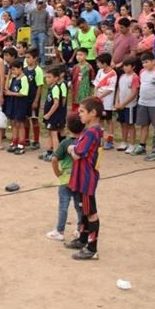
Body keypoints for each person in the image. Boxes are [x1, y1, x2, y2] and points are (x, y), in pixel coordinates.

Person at [65, 96, 104, 260]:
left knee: (90, 212)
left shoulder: (90, 133)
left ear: (93, 113)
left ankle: (92, 248)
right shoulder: (95, 130)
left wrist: (70, 148)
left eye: (82, 111)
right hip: (82, 177)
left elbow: (77, 153)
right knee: (83, 209)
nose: (79, 114)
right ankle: (82, 239)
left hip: (86, 178)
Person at [46, 113, 86, 241]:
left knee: (63, 206)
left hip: (65, 180)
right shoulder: (84, 142)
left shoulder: (65, 143)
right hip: (79, 179)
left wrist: (57, 172)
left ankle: (59, 231)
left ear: (68, 127)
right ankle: (80, 230)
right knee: (79, 207)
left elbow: (54, 159)